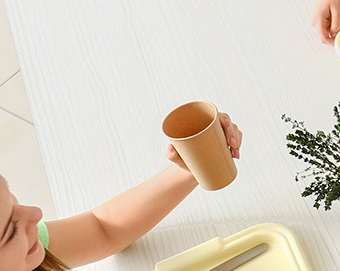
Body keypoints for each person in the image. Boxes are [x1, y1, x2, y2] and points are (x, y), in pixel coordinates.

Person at [0, 113, 243, 271]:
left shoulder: (27, 250)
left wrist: (195, 165)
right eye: (10, 232)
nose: (36, 213)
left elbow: (101, 229)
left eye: (11, 199)